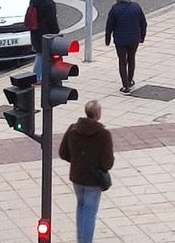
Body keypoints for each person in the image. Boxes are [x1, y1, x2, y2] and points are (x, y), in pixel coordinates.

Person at [59, 100, 115, 243]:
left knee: (81, 207)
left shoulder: (73, 129)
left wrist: (78, 161)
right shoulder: (103, 134)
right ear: (98, 114)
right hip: (93, 179)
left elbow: (63, 152)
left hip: (77, 177)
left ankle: (81, 239)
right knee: (90, 212)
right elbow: (107, 163)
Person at [104, 0, 147, 93]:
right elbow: (143, 23)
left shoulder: (115, 9)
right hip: (134, 39)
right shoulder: (136, 7)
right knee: (131, 59)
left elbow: (109, 26)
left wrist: (107, 39)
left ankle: (125, 85)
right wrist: (142, 37)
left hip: (120, 40)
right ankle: (130, 79)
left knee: (122, 61)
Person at [26, 0, 61, 80]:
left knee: (40, 54)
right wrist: (56, 32)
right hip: (45, 33)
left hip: (35, 32)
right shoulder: (48, 3)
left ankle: (39, 76)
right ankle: (37, 77)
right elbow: (52, 21)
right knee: (42, 55)